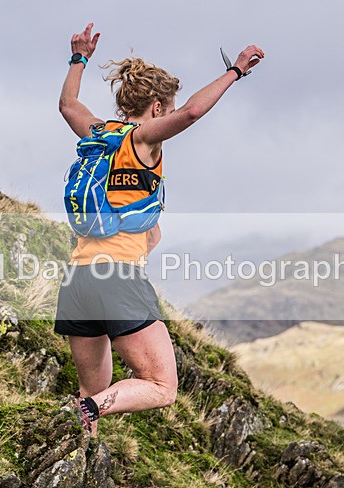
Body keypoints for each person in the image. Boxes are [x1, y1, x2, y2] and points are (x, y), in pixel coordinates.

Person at [55, 22, 264, 435]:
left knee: (90, 389)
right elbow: (192, 111)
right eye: (164, 111)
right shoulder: (143, 140)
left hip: (78, 279)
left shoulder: (99, 134)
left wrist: (79, 58)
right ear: (155, 108)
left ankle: (81, 435)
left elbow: (67, 105)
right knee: (162, 386)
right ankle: (89, 411)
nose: (167, 120)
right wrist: (235, 72)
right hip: (116, 277)